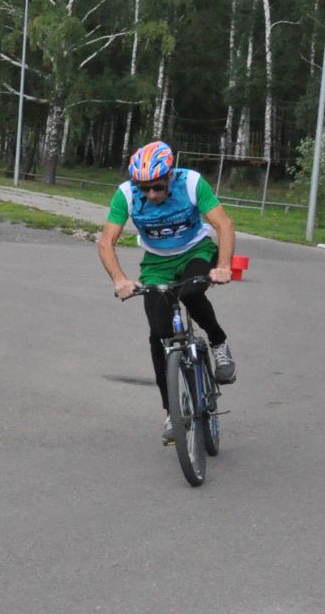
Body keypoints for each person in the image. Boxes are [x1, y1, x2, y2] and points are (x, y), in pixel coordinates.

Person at [97, 140, 238, 444]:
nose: (152, 194)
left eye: (158, 187)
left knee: (190, 292)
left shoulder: (191, 183)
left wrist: (223, 265)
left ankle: (218, 344)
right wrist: (120, 279)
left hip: (195, 251)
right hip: (156, 263)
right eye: (145, 188)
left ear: (171, 176)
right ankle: (172, 413)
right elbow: (106, 241)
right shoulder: (125, 194)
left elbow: (223, 225)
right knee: (158, 335)